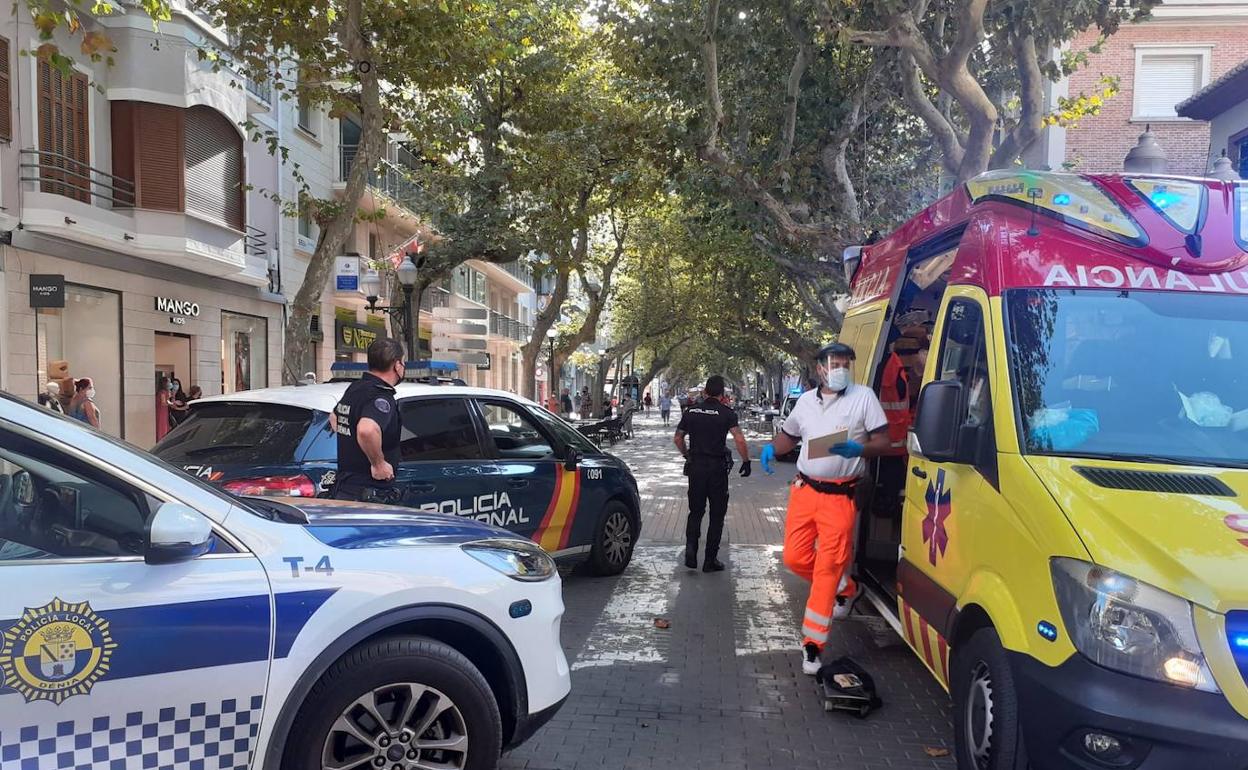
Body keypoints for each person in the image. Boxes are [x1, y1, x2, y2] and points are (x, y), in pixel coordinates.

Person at [759, 342, 889, 675]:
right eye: (835, 363)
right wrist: (771, 449)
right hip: (804, 491)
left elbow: (884, 442)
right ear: (820, 368)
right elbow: (789, 436)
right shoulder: (804, 402)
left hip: (840, 497)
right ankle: (847, 588)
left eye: (846, 363)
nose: (840, 369)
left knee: (827, 568)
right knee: (794, 558)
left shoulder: (864, 398)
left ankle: (813, 645)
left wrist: (858, 448)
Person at [673, 375, 751, 572]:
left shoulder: (691, 412)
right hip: (717, 469)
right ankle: (710, 560)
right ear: (722, 394)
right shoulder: (727, 413)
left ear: (705, 392)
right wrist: (746, 461)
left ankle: (691, 549)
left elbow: (678, 438)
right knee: (717, 515)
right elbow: (739, 439)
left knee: (696, 511)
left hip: (696, 467)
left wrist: (686, 454)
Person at [331, 338, 405, 503]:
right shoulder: (381, 396)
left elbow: (334, 416)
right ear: (397, 364)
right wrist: (378, 464)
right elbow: (367, 430)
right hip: (369, 493)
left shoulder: (354, 389)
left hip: (346, 487)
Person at [156, 376, 173, 441]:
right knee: (162, 425)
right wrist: (172, 404)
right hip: (161, 411)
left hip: (165, 411)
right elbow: (163, 403)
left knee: (165, 425)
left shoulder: (166, 392)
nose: (170, 383)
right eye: (168, 382)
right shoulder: (162, 392)